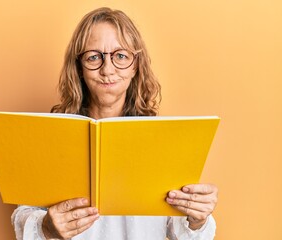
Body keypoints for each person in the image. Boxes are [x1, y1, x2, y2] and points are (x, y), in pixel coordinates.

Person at [12, 7, 218, 240]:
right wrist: (46, 227)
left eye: (120, 56)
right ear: (79, 67)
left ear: (135, 65)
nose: (107, 70)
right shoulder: (51, 135)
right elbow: (23, 216)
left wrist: (198, 218)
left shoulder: (164, 140)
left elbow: (182, 231)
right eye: (93, 57)